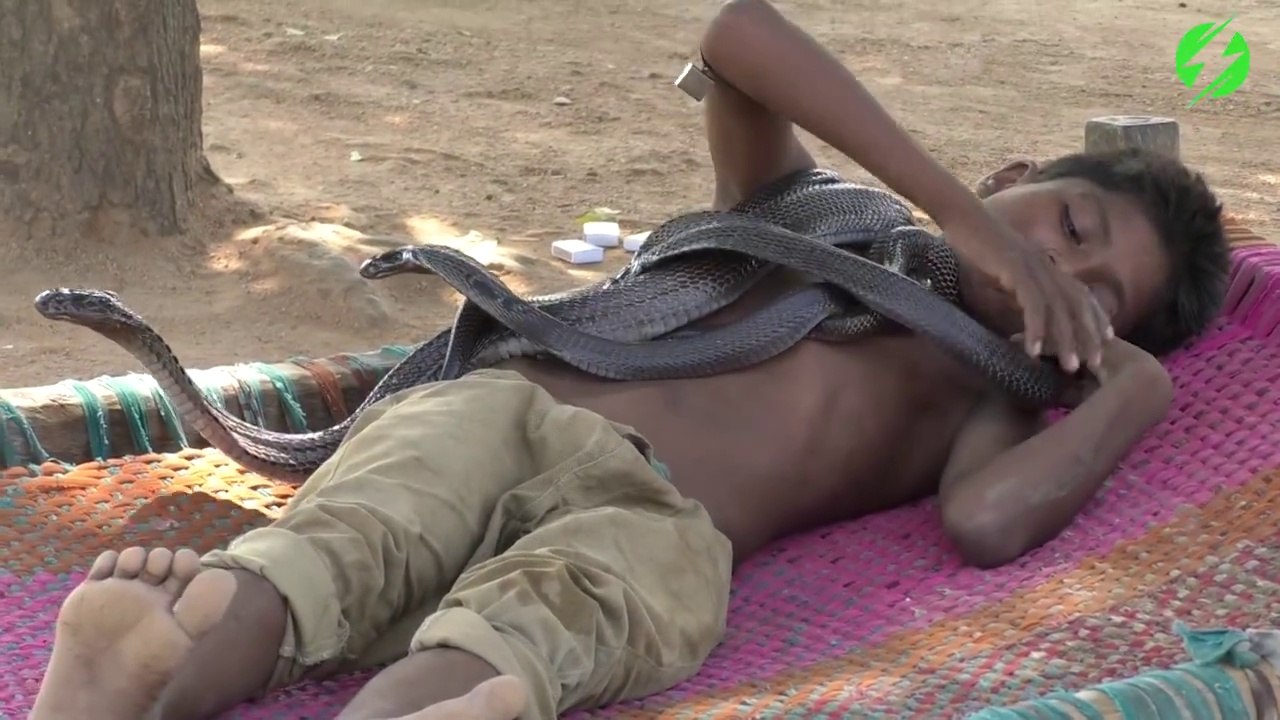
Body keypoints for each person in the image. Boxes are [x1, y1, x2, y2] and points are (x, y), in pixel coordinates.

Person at [29, 0, 1229, 719]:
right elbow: (737, 32)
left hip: (661, 512)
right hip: (502, 405)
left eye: (1094, 298)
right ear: (1013, 178)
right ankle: (135, 670)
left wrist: (1132, 386)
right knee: (335, 552)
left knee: (527, 634)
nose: (1056, 278)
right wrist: (959, 222)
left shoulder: (986, 390)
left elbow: (985, 522)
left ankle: (396, 700)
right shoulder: (803, 208)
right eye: (1065, 230)